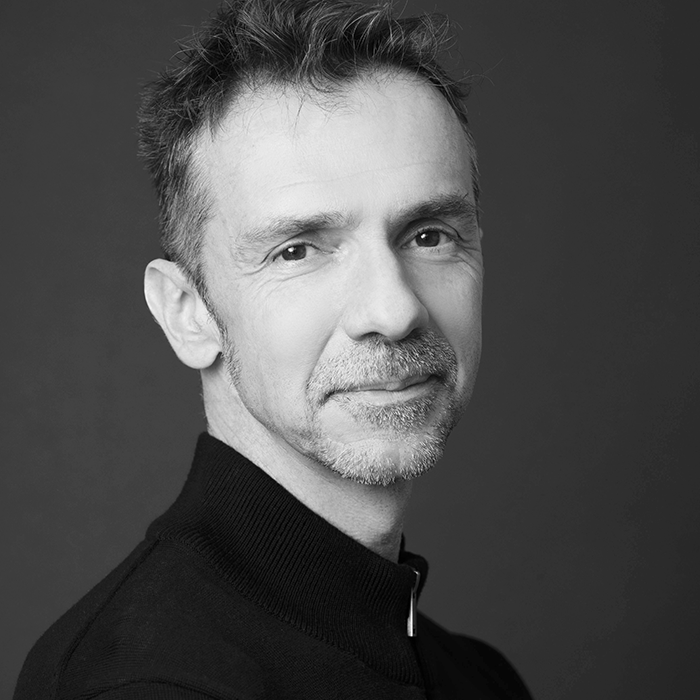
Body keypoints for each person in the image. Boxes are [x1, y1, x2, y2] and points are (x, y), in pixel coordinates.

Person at [14, 0, 533, 697]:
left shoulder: (479, 680)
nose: (394, 310)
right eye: (297, 250)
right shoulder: (146, 684)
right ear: (187, 314)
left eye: (429, 235)